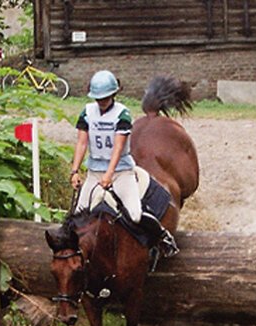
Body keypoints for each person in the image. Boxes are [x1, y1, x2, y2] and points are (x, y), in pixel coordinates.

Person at [70, 70, 179, 256]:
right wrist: (74, 171)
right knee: (78, 217)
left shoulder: (122, 114)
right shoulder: (87, 112)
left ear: (113, 94)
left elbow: (118, 148)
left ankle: (162, 237)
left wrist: (109, 174)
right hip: (94, 172)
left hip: (121, 172)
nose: (101, 101)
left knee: (135, 214)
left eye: (105, 98)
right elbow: (81, 143)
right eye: (98, 98)